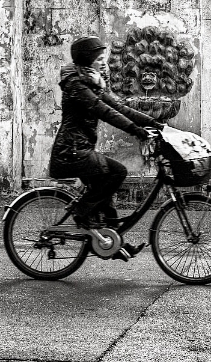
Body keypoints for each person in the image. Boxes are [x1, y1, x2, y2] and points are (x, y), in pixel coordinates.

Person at [48, 34, 159, 261]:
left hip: (81, 149)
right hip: (70, 151)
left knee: (104, 193)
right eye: (98, 58)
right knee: (117, 172)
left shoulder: (93, 82)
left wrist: (154, 123)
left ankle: (113, 243)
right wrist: (135, 131)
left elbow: (119, 107)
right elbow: (104, 111)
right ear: (87, 60)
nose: (103, 62)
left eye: (103, 58)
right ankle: (81, 214)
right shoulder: (76, 85)